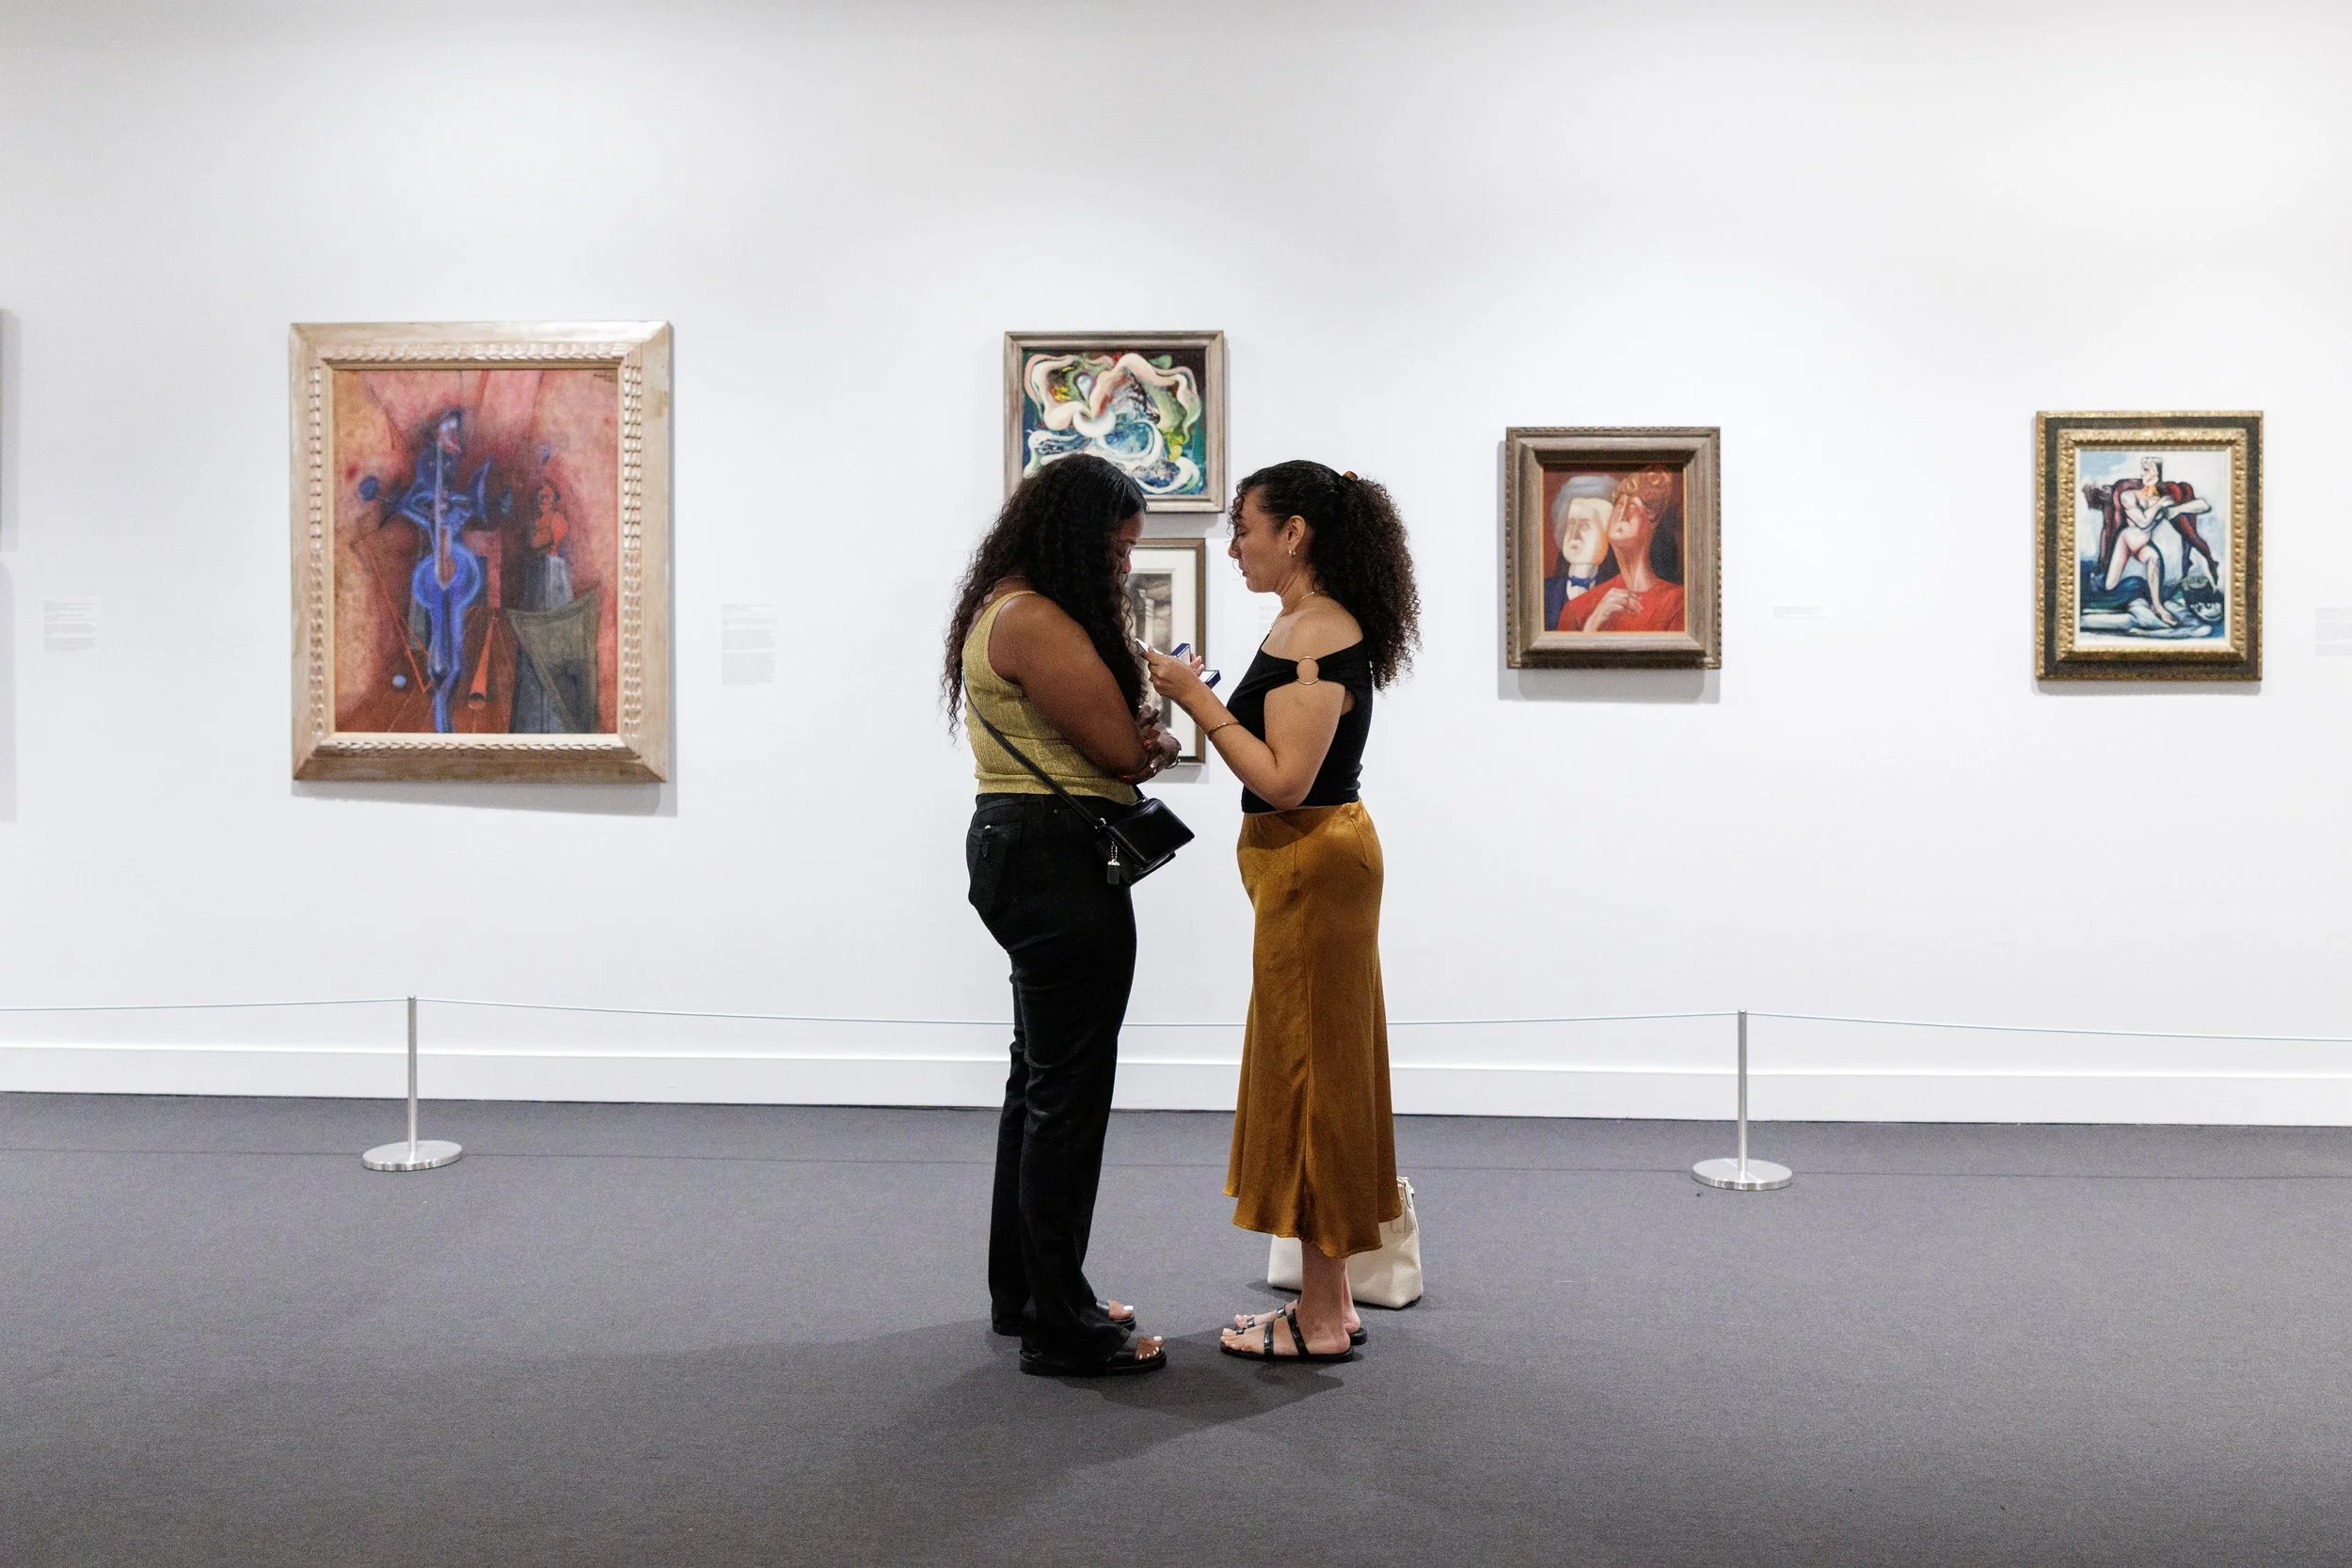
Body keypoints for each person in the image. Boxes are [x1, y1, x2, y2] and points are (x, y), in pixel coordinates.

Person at [1146, 460, 1422, 1363]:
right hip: (1305, 867)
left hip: (1311, 862)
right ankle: (1329, 1303)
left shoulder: (1315, 633)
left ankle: (1317, 1318)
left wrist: (1196, 701)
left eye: (1246, 530)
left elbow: (1284, 778)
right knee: (1317, 1070)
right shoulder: (1306, 623)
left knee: (1309, 1079)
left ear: (1294, 533)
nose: (1235, 548)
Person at [944, 452, 1180, 1377]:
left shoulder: (999, 604)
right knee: (1067, 1094)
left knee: (1037, 1083)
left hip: (1023, 848)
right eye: (1117, 550)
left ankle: (1028, 1291)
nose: (1123, 566)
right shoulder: (1035, 618)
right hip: (1054, 859)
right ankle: (1063, 1322)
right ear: (1075, 537)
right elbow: (1120, 749)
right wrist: (1154, 735)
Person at [1558, 468, 1685, 633]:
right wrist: (1593, 622)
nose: (1622, 515)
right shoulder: (1576, 609)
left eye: (1632, 506)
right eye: (1618, 506)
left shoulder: (1677, 603)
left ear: (1652, 519)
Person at [1544, 474, 1617, 630]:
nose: (1574, 534)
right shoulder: (1543, 594)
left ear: (1608, 535)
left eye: (1584, 525)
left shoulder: (1616, 597)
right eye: (1571, 523)